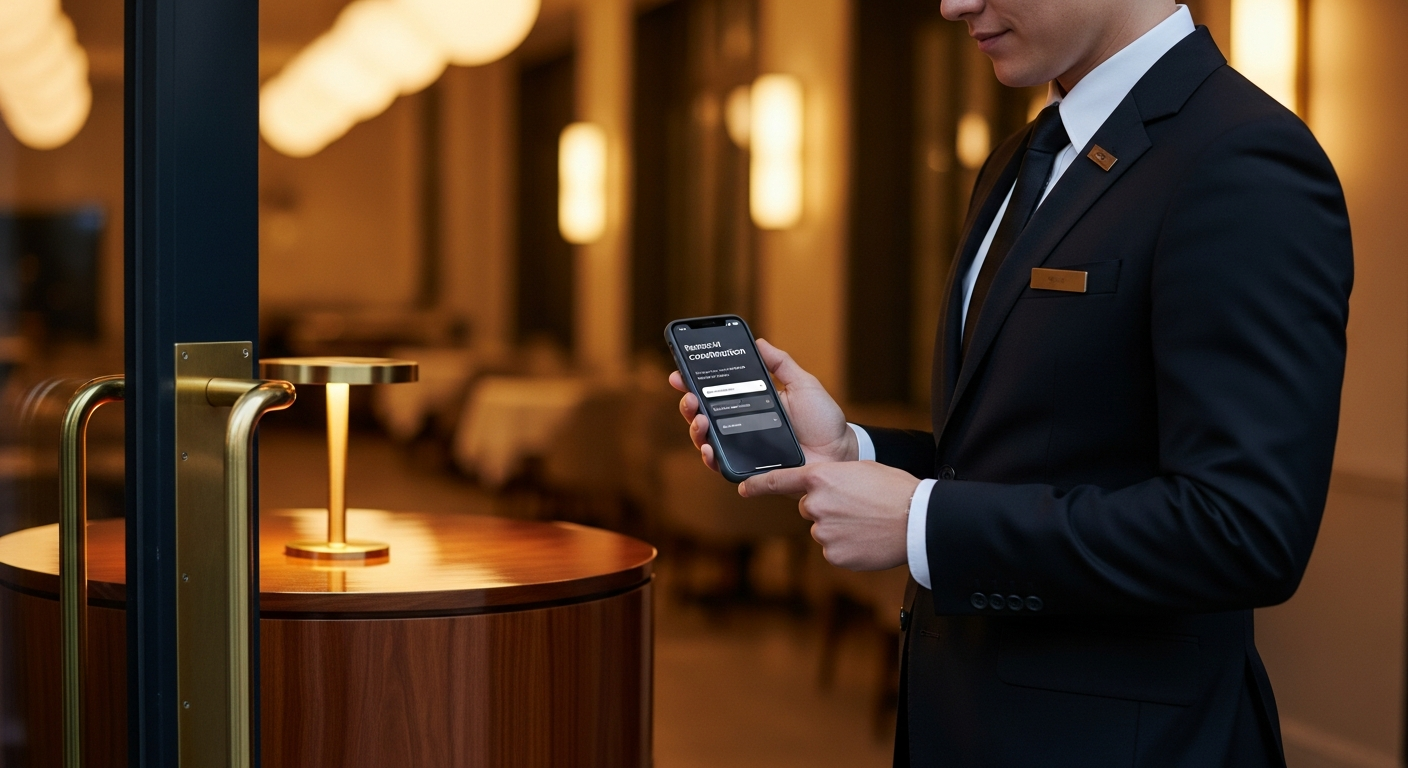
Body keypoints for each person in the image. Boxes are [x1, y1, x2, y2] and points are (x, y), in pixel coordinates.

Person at [670, 0, 1353, 765]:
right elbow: (1017, 458)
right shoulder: (1019, 158)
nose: (953, 5)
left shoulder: (1241, 156)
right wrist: (855, 449)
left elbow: (1243, 529)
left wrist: (925, 526)